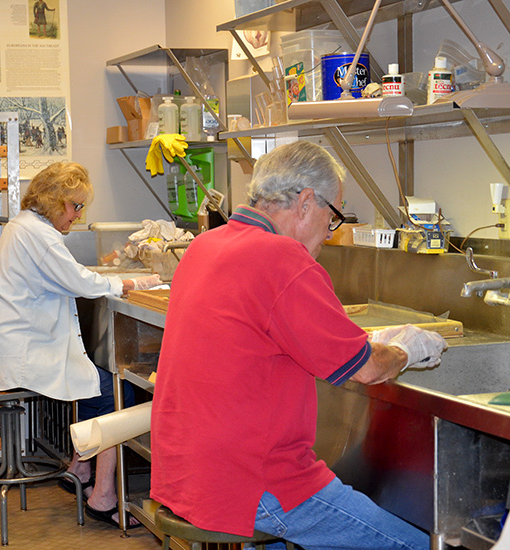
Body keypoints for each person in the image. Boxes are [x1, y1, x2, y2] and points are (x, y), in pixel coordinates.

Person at [150, 141, 446, 550]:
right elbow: (366, 369)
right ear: (306, 202)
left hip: (187, 474)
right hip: (257, 485)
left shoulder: (205, 246)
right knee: (421, 544)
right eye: (333, 216)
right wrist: (408, 348)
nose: (330, 232)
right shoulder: (283, 259)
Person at [0, 161, 159, 529]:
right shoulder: (39, 235)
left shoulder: (24, 227)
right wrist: (134, 283)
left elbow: (68, 276)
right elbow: (82, 283)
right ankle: (103, 496)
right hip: (23, 354)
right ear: (54, 200)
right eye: (75, 206)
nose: (78, 215)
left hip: (16, 346)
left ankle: (78, 468)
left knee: (90, 381)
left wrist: (111, 276)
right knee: (115, 392)